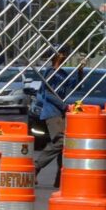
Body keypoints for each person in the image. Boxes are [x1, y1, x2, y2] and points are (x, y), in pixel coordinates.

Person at [34, 44, 85, 188]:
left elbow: (76, 85)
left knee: (64, 145)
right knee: (60, 141)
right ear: (57, 55)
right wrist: (64, 106)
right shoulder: (49, 72)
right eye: (63, 54)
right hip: (52, 112)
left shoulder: (62, 73)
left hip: (60, 113)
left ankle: (60, 178)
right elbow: (48, 94)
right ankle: (35, 167)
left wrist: (80, 71)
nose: (65, 56)